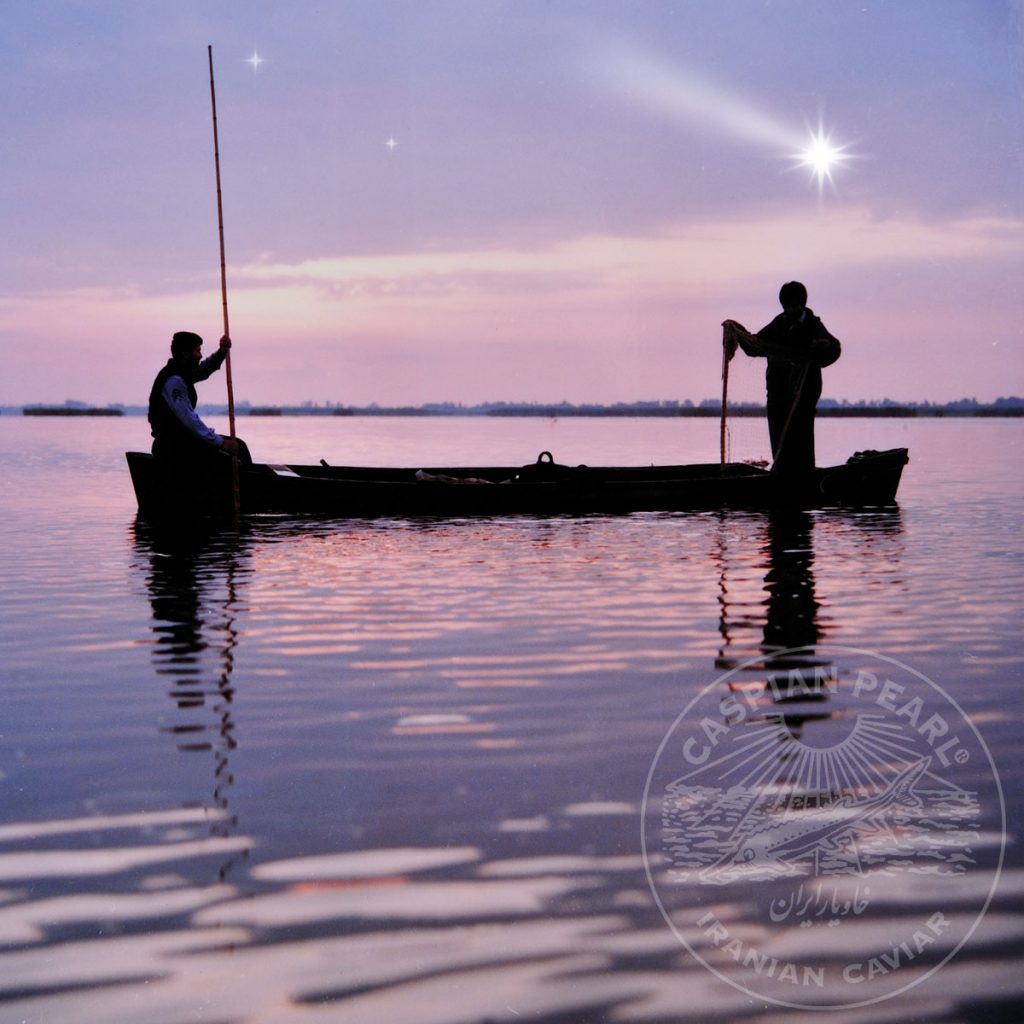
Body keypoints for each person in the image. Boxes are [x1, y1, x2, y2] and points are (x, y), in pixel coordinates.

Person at [723, 282, 840, 476]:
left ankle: (803, 477)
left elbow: (834, 349)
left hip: (803, 394)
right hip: (777, 393)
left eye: (795, 306)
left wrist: (824, 346)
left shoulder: (813, 325)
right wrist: (736, 329)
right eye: (787, 306)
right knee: (779, 438)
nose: (791, 310)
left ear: (803, 304)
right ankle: (783, 477)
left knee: (801, 438)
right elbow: (755, 345)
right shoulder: (780, 323)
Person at [148, 331, 251, 465]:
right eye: (197, 351)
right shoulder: (174, 380)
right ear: (185, 354)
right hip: (172, 447)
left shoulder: (183, 372)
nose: (200, 355)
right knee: (228, 458)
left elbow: (203, 370)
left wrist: (222, 352)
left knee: (240, 446)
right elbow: (189, 419)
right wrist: (221, 443)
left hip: (185, 442)